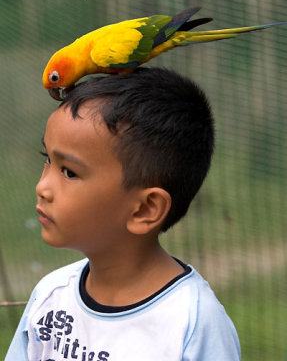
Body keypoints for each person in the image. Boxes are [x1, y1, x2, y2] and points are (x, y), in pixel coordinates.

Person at [5, 67, 241, 360]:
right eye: (47, 160)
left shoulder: (192, 324)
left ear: (145, 209)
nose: (42, 187)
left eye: (69, 172)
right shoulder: (50, 296)